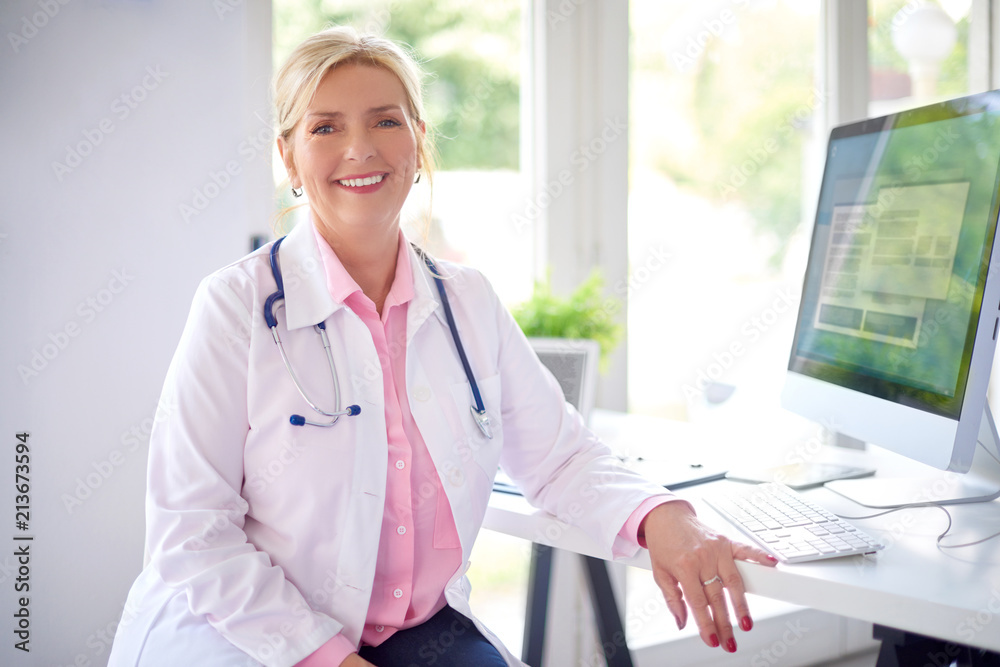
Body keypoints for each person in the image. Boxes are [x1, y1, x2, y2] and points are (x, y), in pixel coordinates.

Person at [107, 26, 776, 667]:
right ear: (288, 156)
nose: (360, 147)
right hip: (252, 637)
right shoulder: (236, 308)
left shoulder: (467, 302)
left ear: (419, 143)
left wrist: (663, 517)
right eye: (325, 126)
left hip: (413, 635)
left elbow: (559, 456)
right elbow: (193, 532)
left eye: (386, 120)